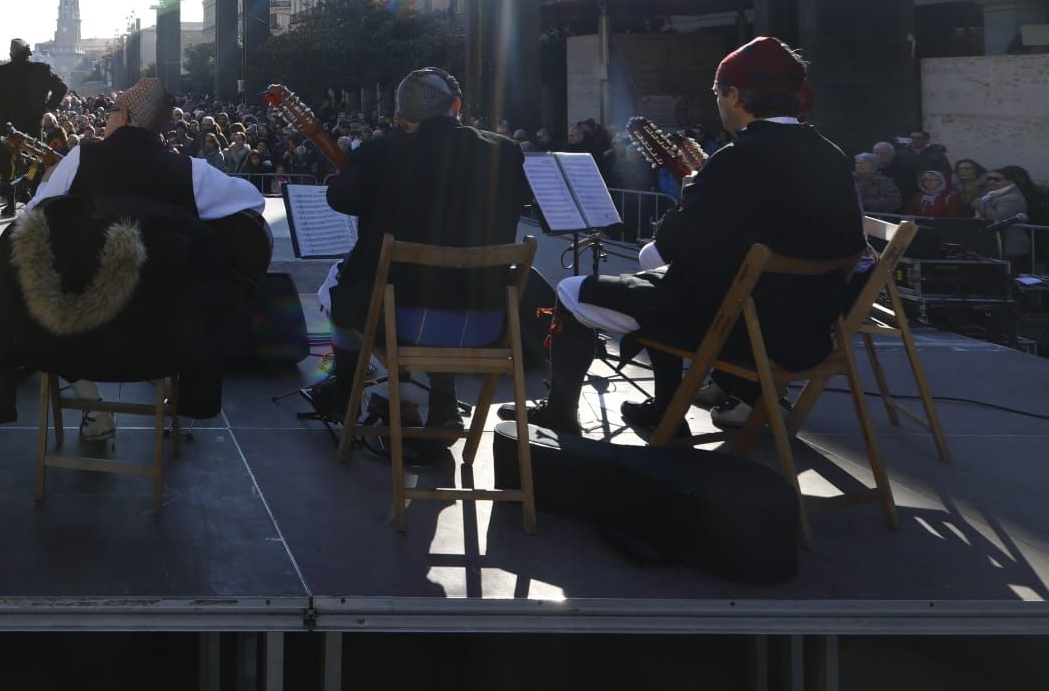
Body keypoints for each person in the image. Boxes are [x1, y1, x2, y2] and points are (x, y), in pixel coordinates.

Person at [512, 37, 864, 434]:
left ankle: (562, 412)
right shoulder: (832, 155)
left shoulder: (737, 159)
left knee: (574, 291)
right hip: (808, 330)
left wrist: (690, 198)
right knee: (661, 284)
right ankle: (667, 406)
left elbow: (665, 251)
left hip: (733, 328)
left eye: (717, 92)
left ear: (734, 96)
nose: (717, 100)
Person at [0, 77, 271, 436]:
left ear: (127, 116)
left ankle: (94, 407)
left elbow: (34, 218)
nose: (107, 117)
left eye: (113, 110)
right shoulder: (190, 173)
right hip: (163, 334)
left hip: (76, 329)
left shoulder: (79, 160)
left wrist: (50, 181)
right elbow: (252, 204)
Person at [312, 68, 524, 463]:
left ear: (400, 116)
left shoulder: (383, 151)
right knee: (445, 283)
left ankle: (344, 392)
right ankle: (443, 402)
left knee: (335, 287)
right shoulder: (506, 152)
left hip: (399, 322)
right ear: (457, 107)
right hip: (486, 321)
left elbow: (340, 198)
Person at [0, 39, 68, 216]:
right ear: (28, 52)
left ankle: (11, 203)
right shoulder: (41, 70)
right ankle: (30, 194)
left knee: (7, 167)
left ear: (11, 54)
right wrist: (48, 106)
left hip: (7, 129)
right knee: (35, 163)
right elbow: (61, 87)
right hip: (32, 127)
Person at [977, 166, 1044, 272]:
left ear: (1010, 181)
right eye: (989, 179)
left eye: (997, 179)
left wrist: (980, 205)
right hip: (1000, 242)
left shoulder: (1012, 198)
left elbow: (998, 218)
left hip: (1011, 243)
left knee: (1008, 273)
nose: (991, 181)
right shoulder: (992, 194)